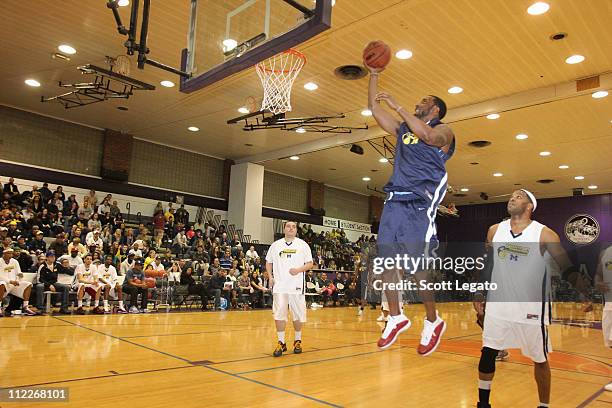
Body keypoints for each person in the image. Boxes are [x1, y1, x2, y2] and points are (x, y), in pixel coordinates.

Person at [365, 58, 455, 354]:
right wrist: (374, 77)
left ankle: (433, 320)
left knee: (416, 267)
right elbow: (376, 111)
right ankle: (396, 316)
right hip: (395, 198)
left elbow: (427, 136)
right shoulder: (404, 129)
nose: (419, 103)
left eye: (424, 101)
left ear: (435, 109)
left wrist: (398, 105)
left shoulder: (445, 131)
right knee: (386, 261)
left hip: (420, 200)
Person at [474, 190, 592, 408]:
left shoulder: (545, 234)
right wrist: (479, 292)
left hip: (531, 309)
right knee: (488, 353)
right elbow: (487, 265)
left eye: (518, 196)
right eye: (510, 195)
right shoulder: (494, 231)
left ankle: (543, 406)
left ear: (530, 206)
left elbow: (566, 268)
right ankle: (483, 404)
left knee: (539, 359)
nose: (512, 198)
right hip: (498, 306)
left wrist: (584, 292)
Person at [266, 221, 314, 357]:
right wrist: (270, 276)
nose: (291, 228)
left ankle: (297, 340)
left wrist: (298, 270)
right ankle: (281, 342)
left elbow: (310, 263)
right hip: (280, 287)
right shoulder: (275, 245)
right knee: (279, 315)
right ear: (284, 229)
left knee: (297, 315)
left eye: (293, 227)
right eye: (288, 226)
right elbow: (268, 262)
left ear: (296, 230)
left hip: (296, 287)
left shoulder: (303, 245)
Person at [594, 245, 612, 392]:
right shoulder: (605, 252)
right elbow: (599, 274)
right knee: (611, 343)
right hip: (609, 305)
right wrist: (598, 282)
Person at [0, 247, 37, 316]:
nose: (10, 255)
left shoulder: (15, 261)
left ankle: (25, 306)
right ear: (4, 254)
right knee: (1, 284)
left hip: (14, 284)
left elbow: (18, 273)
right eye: (8, 253)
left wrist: (18, 278)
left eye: (11, 253)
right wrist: (10, 281)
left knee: (28, 284)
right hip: (4, 283)